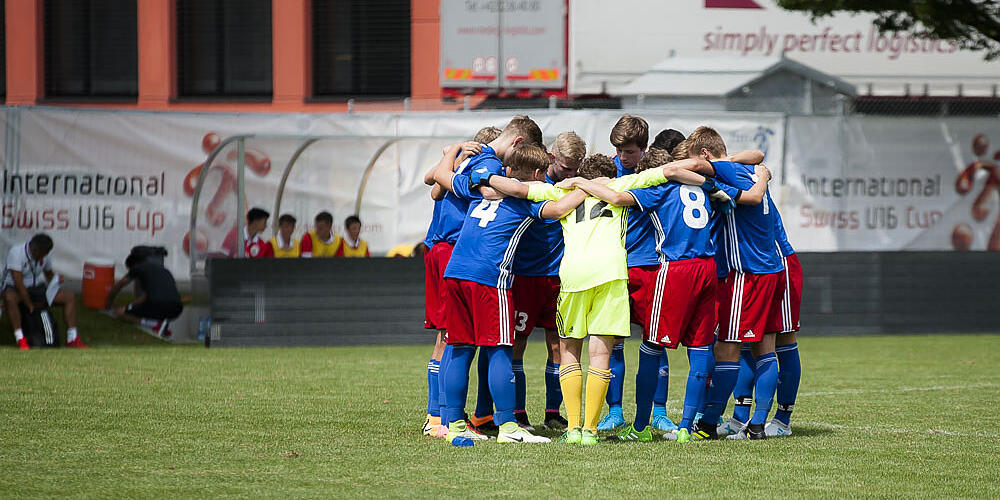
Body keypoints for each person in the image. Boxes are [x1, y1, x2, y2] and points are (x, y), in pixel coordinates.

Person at [485, 152, 716, 445]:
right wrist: (711, 179)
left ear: (585, 173)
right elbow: (670, 170)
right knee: (600, 355)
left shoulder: (562, 190)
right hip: (612, 275)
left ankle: (573, 429)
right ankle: (591, 431)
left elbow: (517, 188)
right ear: (610, 175)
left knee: (569, 351)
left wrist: (482, 180)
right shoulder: (622, 184)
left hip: (573, 275)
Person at [573, 148, 769, 444]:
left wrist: (579, 182)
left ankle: (639, 428)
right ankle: (687, 428)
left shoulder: (659, 189)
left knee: (651, 345)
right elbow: (740, 197)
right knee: (701, 350)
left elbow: (615, 198)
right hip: (709, 267)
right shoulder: (705, 188)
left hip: (676, 269)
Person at [432, 140, 565, 446]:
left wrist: (450, 152)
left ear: (506, 168)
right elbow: (558, 208)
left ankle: (454, 423)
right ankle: (508, 425)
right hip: (491, 278)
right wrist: (583, 187)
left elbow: (440, 177)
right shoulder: (528, 199)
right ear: (536, 173)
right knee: (501, 349)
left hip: (455, 271)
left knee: (461, 348)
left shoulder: (479, 190)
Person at [681, 126, 785, 441]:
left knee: (728, 348)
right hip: (771, 269)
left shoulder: (724, 169)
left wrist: (669, 169)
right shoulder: (746, 168)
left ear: (703, 155)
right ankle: (755, 425)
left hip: (747, 274)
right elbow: (757, 155)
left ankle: (708, 424)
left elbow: (702, 168)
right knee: (765, 349)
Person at [499, 131, 586, 432]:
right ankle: (518, 412)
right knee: (517, 344)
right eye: (566, 168)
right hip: (524, 276)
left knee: (558, 346)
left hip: (558, 277)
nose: (572, 174)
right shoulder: (531, 186)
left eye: (576, 169)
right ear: (551, 158)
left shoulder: (577, 185)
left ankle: (553, 412)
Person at [420, 125, 503, 439]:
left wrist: (451, 154)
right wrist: (453, 151)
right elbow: (433, 183)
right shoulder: (463, 170)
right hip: (448, 251)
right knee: (448, 335)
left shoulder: (454, 170)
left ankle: (447, 414)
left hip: (451, 252)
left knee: (456, 335)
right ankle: (436, 415)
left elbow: (433, 186)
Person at [598, 114, 651, 431]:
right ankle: (614, 410)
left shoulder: (656, 173)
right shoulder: (607, 171)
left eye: (629, 151)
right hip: (613, 267)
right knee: (612, 341)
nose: (622, 157)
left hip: (649, 266)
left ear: (643, 149)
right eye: (618, 150)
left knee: (654, 342)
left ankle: (656, 411)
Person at [2, 234, 85, 349]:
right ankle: (20, 338)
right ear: (34, 249)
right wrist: (29, 304)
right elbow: (19, 284)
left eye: (46, 254)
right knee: (9, 297)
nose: (44, 257)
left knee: (69, 296)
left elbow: (49, 275)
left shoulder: (44, 255)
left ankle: (72, 338)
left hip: (36, 289)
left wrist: (56, 280)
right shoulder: (16, 253)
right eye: (42, 254)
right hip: (16, 289)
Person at [105, 253, 183, 338]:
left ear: (133, 265)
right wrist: (130, 306)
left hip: (159, 305)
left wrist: (109, 301)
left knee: (120, 313)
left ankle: (155, 325)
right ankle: (163, 327)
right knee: (151, 308)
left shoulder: (138, 269)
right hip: (177, 308)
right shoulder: (164, 270)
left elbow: (120, 284)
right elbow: (149, 295)